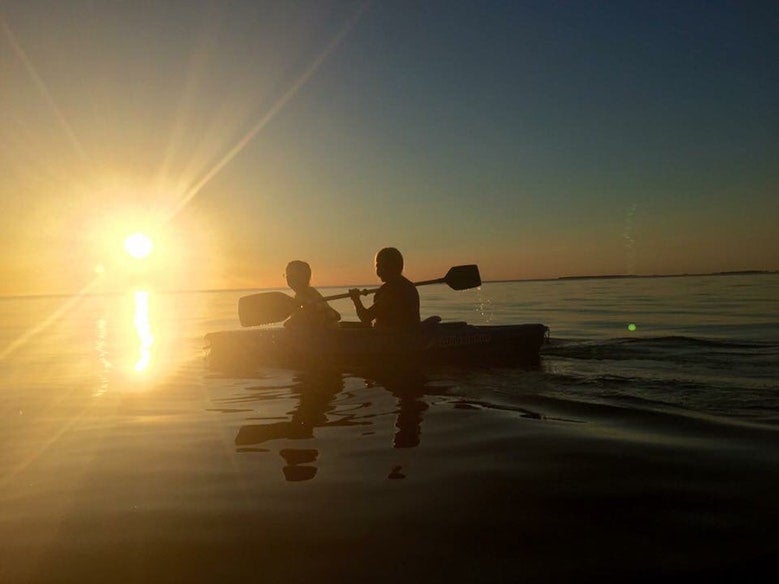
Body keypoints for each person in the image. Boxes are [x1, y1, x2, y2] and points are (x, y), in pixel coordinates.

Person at [349, 247, 420, 331]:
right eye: (377, 266)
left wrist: (356, 299)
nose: (379, 271)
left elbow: (366, 317)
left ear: (394, 266)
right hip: (404, 336)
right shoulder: (408, 285)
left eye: (382, 266)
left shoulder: (392, 290)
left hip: (392, 338)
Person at [284, 260, 340, 329]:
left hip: (327, 336)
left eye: (293, 275)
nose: (288, 278)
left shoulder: (307, 295)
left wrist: (289, 323)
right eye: (287, 275)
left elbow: (322, 317)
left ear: (305, 277)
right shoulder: (310, 292)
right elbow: (337, 315)